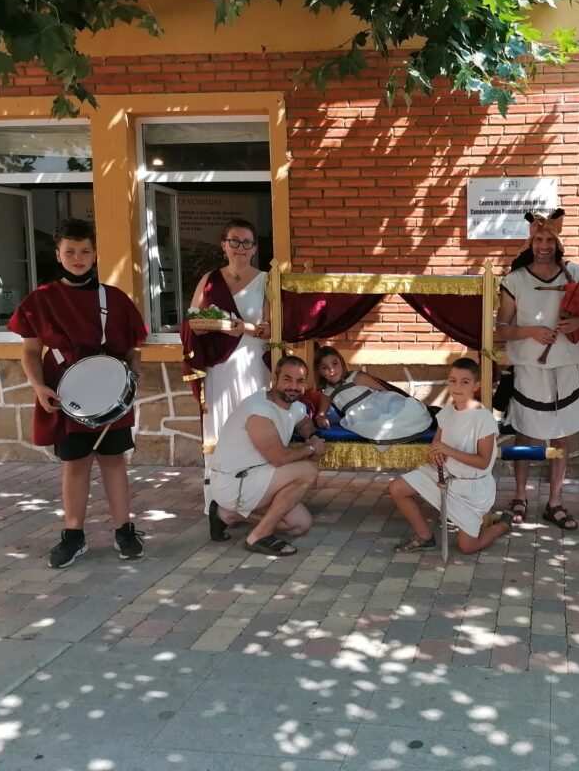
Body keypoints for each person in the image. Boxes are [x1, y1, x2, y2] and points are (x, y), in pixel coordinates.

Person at [8, 219, 148, 568]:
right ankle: (73, 535)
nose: (78, 258)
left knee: (114, 461)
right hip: (66, 395)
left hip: (110, 394)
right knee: (75, 464)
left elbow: (132, 348)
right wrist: (38, 386)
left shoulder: (114, 298)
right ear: (58, 254)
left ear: (95, 254)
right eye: (70, 252)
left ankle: (124, 530)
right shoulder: (41, 300)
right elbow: (30, 351)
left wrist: (134, 373)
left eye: (85, 251)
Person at [495, 208, 579, 530]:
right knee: (526, 433)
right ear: (530, 241)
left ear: (558, 242)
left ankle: (555, 501)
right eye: (539, 239)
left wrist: (575, 323)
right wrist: (531, 331)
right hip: (529, 368)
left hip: (565, 365)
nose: (544, 246)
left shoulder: (575, 275)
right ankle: (520, 496)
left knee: (561, 437)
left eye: (550, 239)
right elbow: (501, 328)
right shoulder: (515, 280)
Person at [184, 218, 271, 509]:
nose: (240, 248)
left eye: (247, 242)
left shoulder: (267, 281)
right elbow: (192, 321)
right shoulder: (210, 280)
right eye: (234, 241)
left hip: (253, 367)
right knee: (219, 430)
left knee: (252, 429)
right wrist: (211, 326)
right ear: (224, 245)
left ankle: (253, 497)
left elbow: (273, 329)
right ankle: (217, 502)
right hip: (219, 369)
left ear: (255, 248)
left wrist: (243, 328)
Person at [388, 358, 510, 554]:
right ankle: (425, 536)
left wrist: (448, 451)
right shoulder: (447, 412)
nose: (457, 386)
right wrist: (435, 454)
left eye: (465, 382)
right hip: (445, 476)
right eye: (453, 381)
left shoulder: (483, 418)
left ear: (476, 386)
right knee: (397, 488)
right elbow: (436, 445)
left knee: (467, 547)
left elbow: (483, 462)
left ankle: (502, 525)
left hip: (472, 488)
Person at [206, 356, 323, 555]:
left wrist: (311, 436)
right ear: (275, 378)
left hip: (257, 476)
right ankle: (259, 536)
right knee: (308, 471)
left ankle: (225, 514)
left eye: (300, 381)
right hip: (233, 482)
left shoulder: (292, 405)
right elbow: (279, 458)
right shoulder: (260, 410)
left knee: (300, 525)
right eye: (287, 379)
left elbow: (304, 422)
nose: (293, 386)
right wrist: (311, 449)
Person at [313, 345, 433, 442]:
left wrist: (398, 400)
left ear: (341, 362)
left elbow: (384, 389)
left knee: (407, 412)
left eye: (335, 364)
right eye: (324, 368)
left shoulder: (355, 377)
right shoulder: (327, 392)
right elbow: (321, 414)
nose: (331, 370)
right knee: (378, 427)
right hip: (359, 416)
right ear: (319, 371)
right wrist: (321, 419)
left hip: (381, 404)